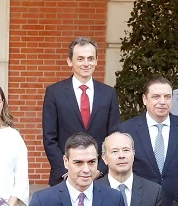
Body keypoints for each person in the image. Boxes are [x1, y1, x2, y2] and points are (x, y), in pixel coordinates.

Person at [42, 37, 121, 185]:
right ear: (69, 61)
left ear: (96, 61)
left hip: (99, 178)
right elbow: (49, 138)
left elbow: (113, 136)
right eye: (80, 59)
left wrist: (100, 169)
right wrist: (66, 171)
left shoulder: (108, 93)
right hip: (64, 177)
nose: (86, 63)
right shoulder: (54, 93)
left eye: (90, 58)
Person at [119, 77, 178, 206]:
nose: (162, 102)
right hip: (140, 204)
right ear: (144, 99)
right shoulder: (127, 129)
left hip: (177, 203)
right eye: (156, 96)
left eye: (167, 97)